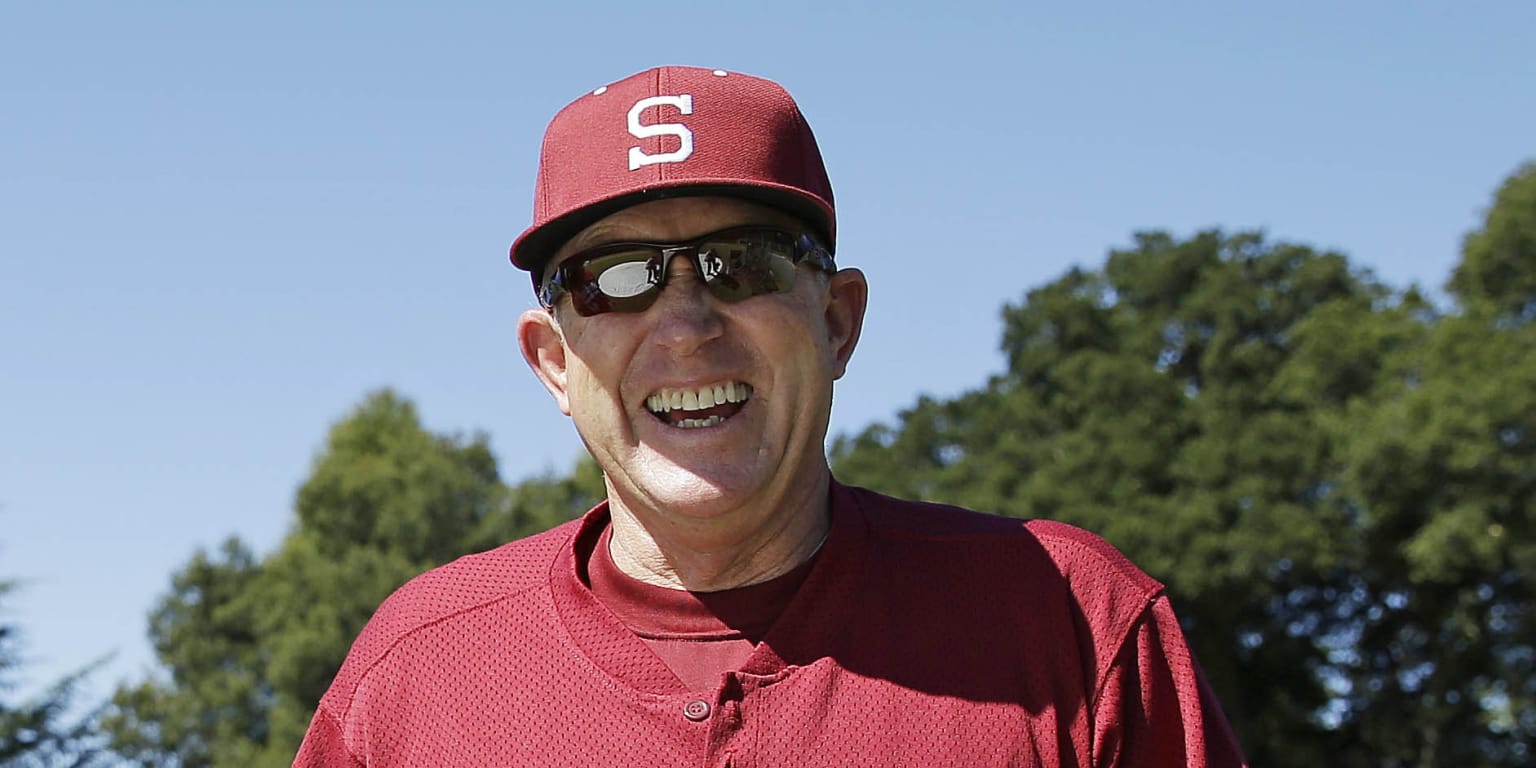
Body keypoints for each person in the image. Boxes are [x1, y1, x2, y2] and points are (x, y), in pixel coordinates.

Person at [294, 65, 1248, 767]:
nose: (686, 326)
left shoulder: (1074, 622)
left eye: (740, 262)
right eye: (614, 280)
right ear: (552, 360)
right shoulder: (415, 675)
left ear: (838, 321)